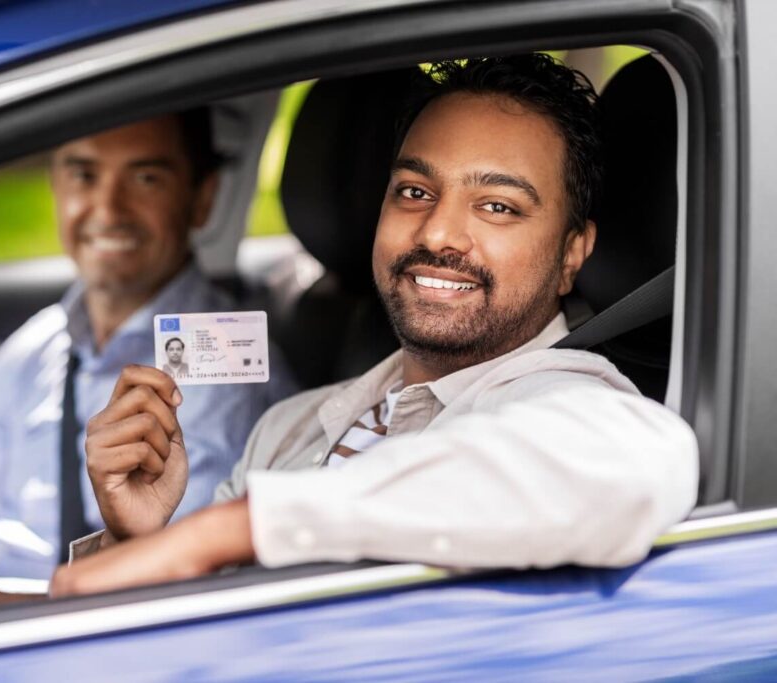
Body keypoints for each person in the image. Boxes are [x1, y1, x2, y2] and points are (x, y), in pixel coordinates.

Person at [50, 54, 699, 596]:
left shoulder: (574, 403)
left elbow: (637, 461)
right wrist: (140, 540)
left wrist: (225, 531)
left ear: (572, 254)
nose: (439, 232)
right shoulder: (293, 424)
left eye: (497, 206)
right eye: (415, 192)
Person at [0, 110, 297, 616]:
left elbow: (177, 601)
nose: (107, 209)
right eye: (84, 175)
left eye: (146, 178)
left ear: (202, 199)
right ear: (57, 187)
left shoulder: (228, 372)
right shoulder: (32, 348)